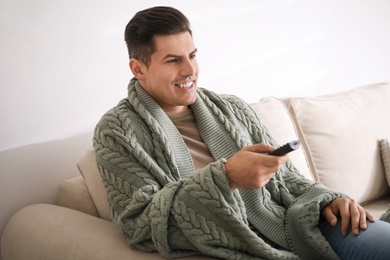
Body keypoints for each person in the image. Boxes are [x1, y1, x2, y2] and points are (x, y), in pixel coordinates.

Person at [93, 6, 390, 260]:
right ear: (138, 68)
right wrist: (226, 178)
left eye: (192, 56)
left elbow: (288, 180)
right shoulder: (116, 132)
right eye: (173, 60)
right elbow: (139, 223)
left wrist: (332, 198)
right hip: (238, 243)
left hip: (301, 222)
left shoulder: (231, 108)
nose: (190, 70)